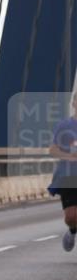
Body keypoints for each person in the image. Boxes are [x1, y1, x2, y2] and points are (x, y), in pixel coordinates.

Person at [48, 86, 77, 252]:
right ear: (74, 103)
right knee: (71, 217)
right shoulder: (65, 126)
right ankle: (73, 231)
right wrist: (69, 157)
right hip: (69, 176)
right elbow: (52, 149)